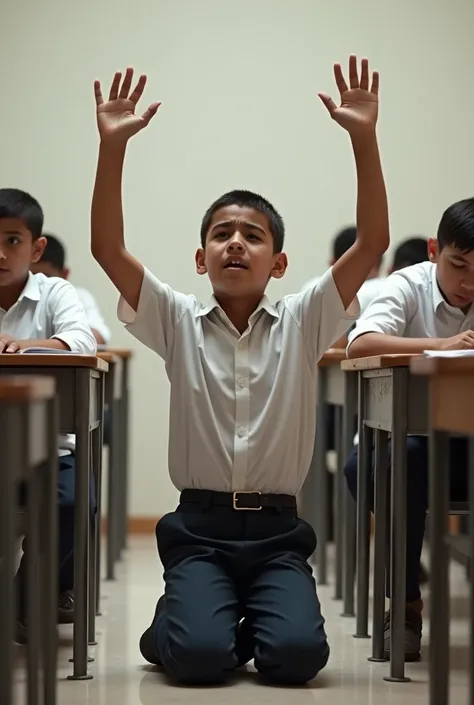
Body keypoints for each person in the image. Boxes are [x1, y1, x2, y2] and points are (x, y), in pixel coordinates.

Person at [91, 56, 389, 685]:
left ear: (278, 264)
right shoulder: (175, 319)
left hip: (280, 533)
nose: (235, 243)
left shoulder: (307, 319)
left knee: (297, 660)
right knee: (200, 660)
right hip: (199, 527)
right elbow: (107, 250)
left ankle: (221, 615)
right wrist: (112, 148)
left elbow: (371, 243)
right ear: (200, 259)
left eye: (252, 236)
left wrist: (364, 139)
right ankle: (187, 614)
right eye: (222, 234)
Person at [344, 199, 474, 662]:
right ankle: (404, 608)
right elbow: (361, 342)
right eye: (458, 265)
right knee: (404, 463)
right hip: (400, 447)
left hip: (464, 451)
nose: (467, 283)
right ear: (436, 250)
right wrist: (441, 344)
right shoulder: (407, 285)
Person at [0, 188, 97, 641]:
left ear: (37, 248)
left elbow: (83, 341)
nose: (1, 253)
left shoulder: (55, 291)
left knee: (75, 499)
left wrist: (30, 346)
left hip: (47, 450)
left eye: (13, 240)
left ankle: (25, 595)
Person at [31, 233, 111, 345]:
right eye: (32, 276)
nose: (39, 283)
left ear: (64, 274)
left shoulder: (79, 296)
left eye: (47, 277)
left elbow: (98, 336)